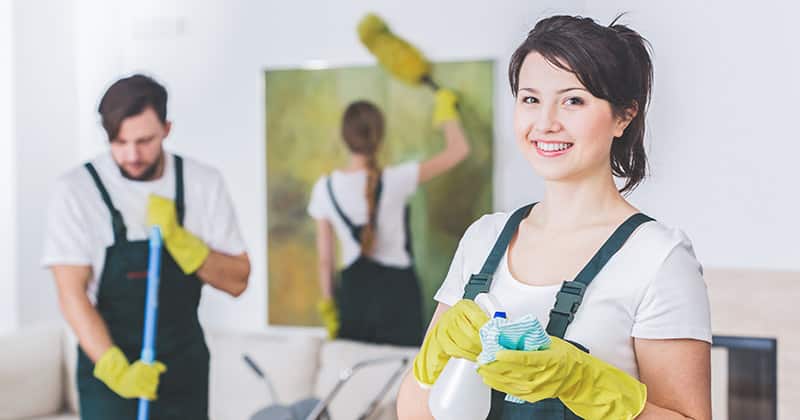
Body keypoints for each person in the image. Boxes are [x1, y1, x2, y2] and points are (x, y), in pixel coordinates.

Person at [398, 15, 712, 420]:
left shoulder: (659, 258)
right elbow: (414, 412)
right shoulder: (483, 239)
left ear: (624, 116)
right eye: (530, 99)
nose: (545, 123)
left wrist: (585, 383)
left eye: (573, 100)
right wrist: (434, 359)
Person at [42, 74, 250, 419]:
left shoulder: (202, 183)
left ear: (167, 129)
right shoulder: (76, 191)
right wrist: (116, 370)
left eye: (144, 141)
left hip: (183, 369)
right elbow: (71, 294)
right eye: (119, 142)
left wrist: (182, 242)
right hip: (108, 369)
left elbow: (238, 281)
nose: (132, 155)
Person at [308, 89, 471, 346]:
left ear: (344, 137)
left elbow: (324, 261)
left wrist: (329, 308)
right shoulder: (397, 179)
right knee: (401, 377)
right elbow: (458, 150)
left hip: (353, 298)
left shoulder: (325, 188)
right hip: (399, 296)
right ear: (379, 137)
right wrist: (446, 112)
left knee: (358, 379)